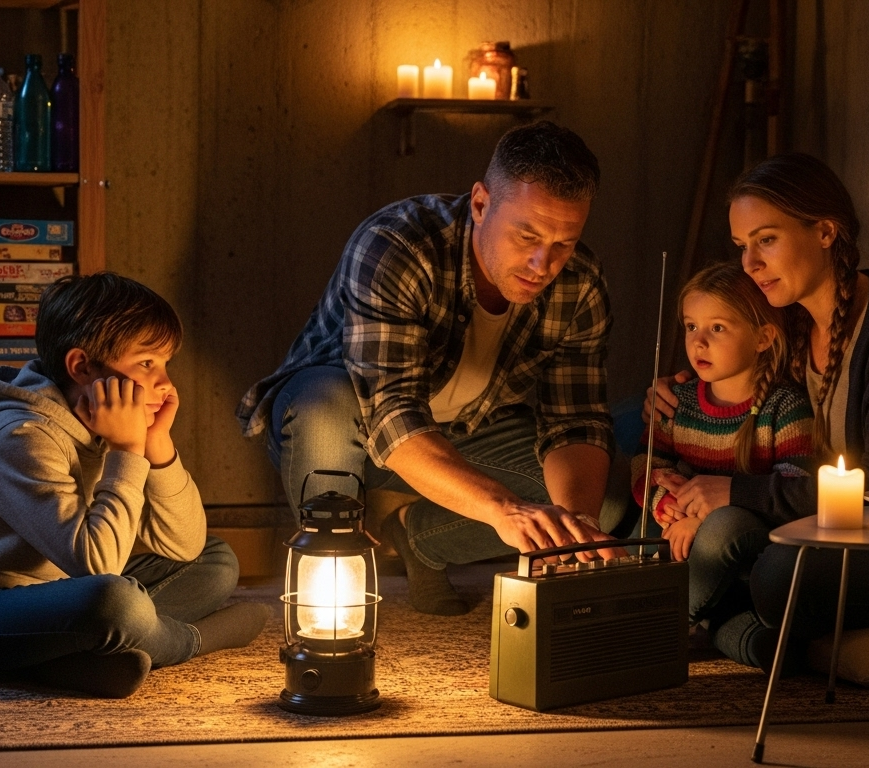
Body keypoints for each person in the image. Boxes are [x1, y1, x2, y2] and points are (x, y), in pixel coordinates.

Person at [238, 121, 626, 616]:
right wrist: (503, 509)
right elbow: (392, 412)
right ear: (482, 203)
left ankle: (420, 539)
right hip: (345, 420)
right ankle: (331, 597)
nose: (541, 263)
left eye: (563, 243)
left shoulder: (581, 283)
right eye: (526, 234)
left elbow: (575, 421)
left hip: (464, 431)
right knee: (322, 402)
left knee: (601, 506)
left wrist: (570, 533)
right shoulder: (398, 245)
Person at [646, 152, 869, 670]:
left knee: (778, 576)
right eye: (742, 246)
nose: (749, 264)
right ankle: (740, 633)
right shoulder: (795, 326)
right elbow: (740, 394)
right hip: (813, 528)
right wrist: (675, 393)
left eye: (767, 239)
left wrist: (736, 491)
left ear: (825, 232)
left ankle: (696, 623)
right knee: (642, 466)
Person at [0, 273, 268, 698]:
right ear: (82, 366)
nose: (166, 383)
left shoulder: (102, 422)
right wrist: (126, 450)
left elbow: (184, 546)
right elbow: (98, 567)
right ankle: (187, 641)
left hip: (48, 589)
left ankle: (75, 656)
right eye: (146, 363)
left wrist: (158, 447)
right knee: (114, 602)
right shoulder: (20, 437)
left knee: (216, 559)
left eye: (165, 364)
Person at [631, 261, 814, 662]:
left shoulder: (783, 408)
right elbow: (648, 466)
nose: (698, 342)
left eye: (717, 328)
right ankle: (716, 625)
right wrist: (671, 512)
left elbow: (795, 481)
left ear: (763, 337)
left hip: (742, 551)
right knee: (759, 645)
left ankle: (661, 626)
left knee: (722, 528)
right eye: (691, 326)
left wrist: (701, 518)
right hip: (677, 539)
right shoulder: (676, 401)